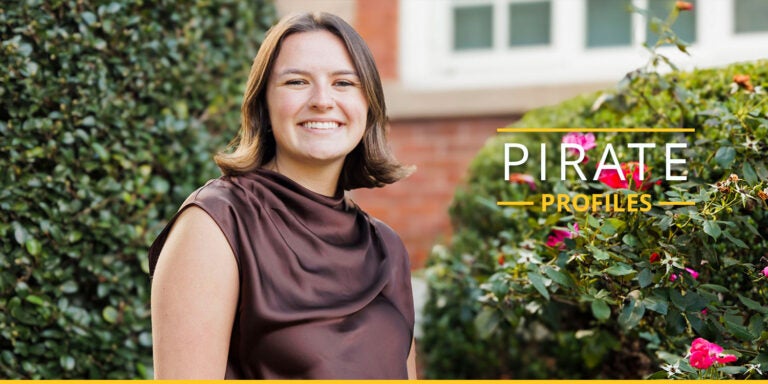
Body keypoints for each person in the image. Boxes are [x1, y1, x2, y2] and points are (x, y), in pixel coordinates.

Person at [148, 11, 417, 379]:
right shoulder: (216, 224)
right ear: (264, 106)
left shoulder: (387, 248)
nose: (323, 100)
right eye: (296, 82)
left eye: (343, 83)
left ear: (368, 106)